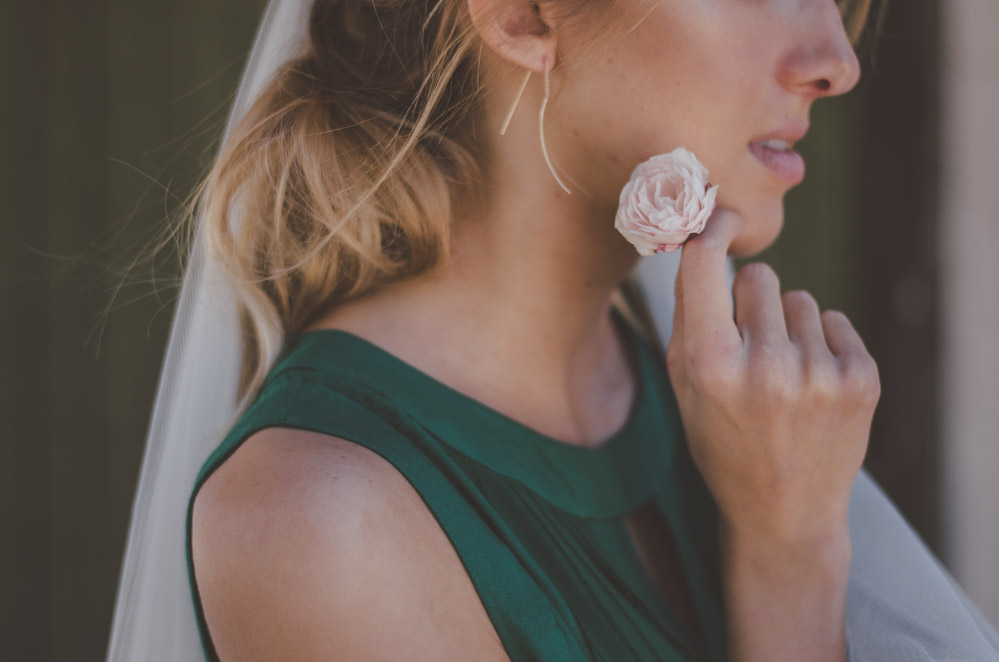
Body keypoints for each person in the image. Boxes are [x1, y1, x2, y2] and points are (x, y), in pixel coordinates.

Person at [106, 1, 999, 660]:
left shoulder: (742, 417)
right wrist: (788, 557)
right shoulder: (325, 523)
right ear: (523, 15)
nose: (836, 59)